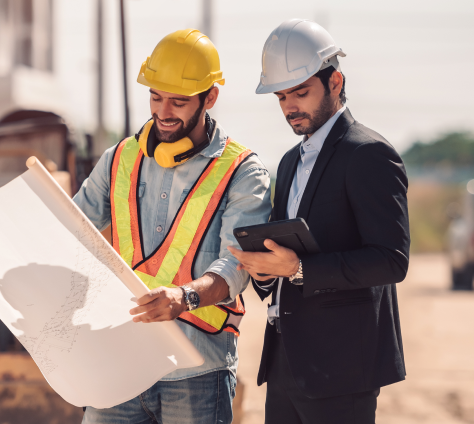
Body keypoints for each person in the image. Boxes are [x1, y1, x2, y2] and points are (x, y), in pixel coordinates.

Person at [74, 28, 272, 424]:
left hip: (197, 371)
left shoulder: (242, 172)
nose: (163, 112)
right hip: (120, 362)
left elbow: (236, 267)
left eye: (179, 101)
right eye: (156, 97)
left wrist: (185, 297)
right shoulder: (119, 159)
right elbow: (71, 230)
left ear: (210, 98)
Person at [228, 19, 410, 424]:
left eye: (300, 92)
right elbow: (285, 255)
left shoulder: (369, 154)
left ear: (335, 82)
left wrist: (298, 268)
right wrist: (263, 269)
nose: (290, 106)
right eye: (281, 97)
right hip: (285, 362)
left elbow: (391, 260)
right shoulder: (290, 162)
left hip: (343, 368)